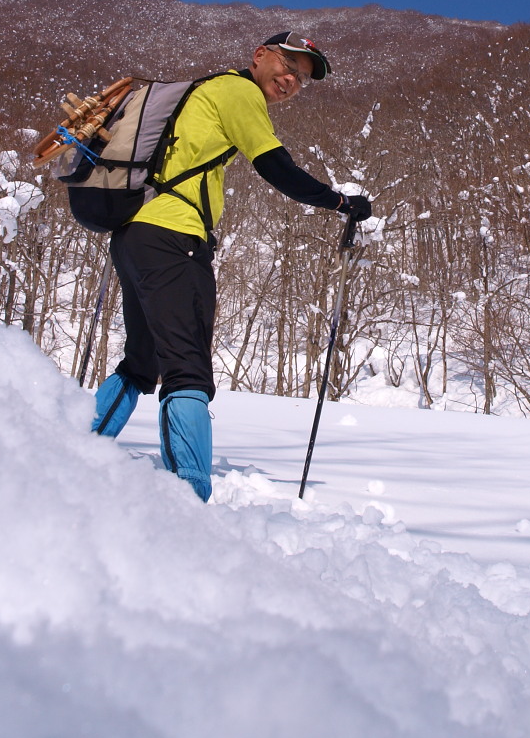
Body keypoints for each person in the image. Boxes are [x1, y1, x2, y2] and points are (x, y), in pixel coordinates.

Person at [88, 32, 372, 500]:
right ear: (260, 56)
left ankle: (77, 448)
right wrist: (339, 201)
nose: (292, 81)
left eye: (302, 79)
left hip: (136, 234)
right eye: (289, 67)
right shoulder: (239, 91)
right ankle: (189, 495)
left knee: (143, 361)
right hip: (174, 237)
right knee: (187, 368)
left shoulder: (209, 89)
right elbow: (276, 166)